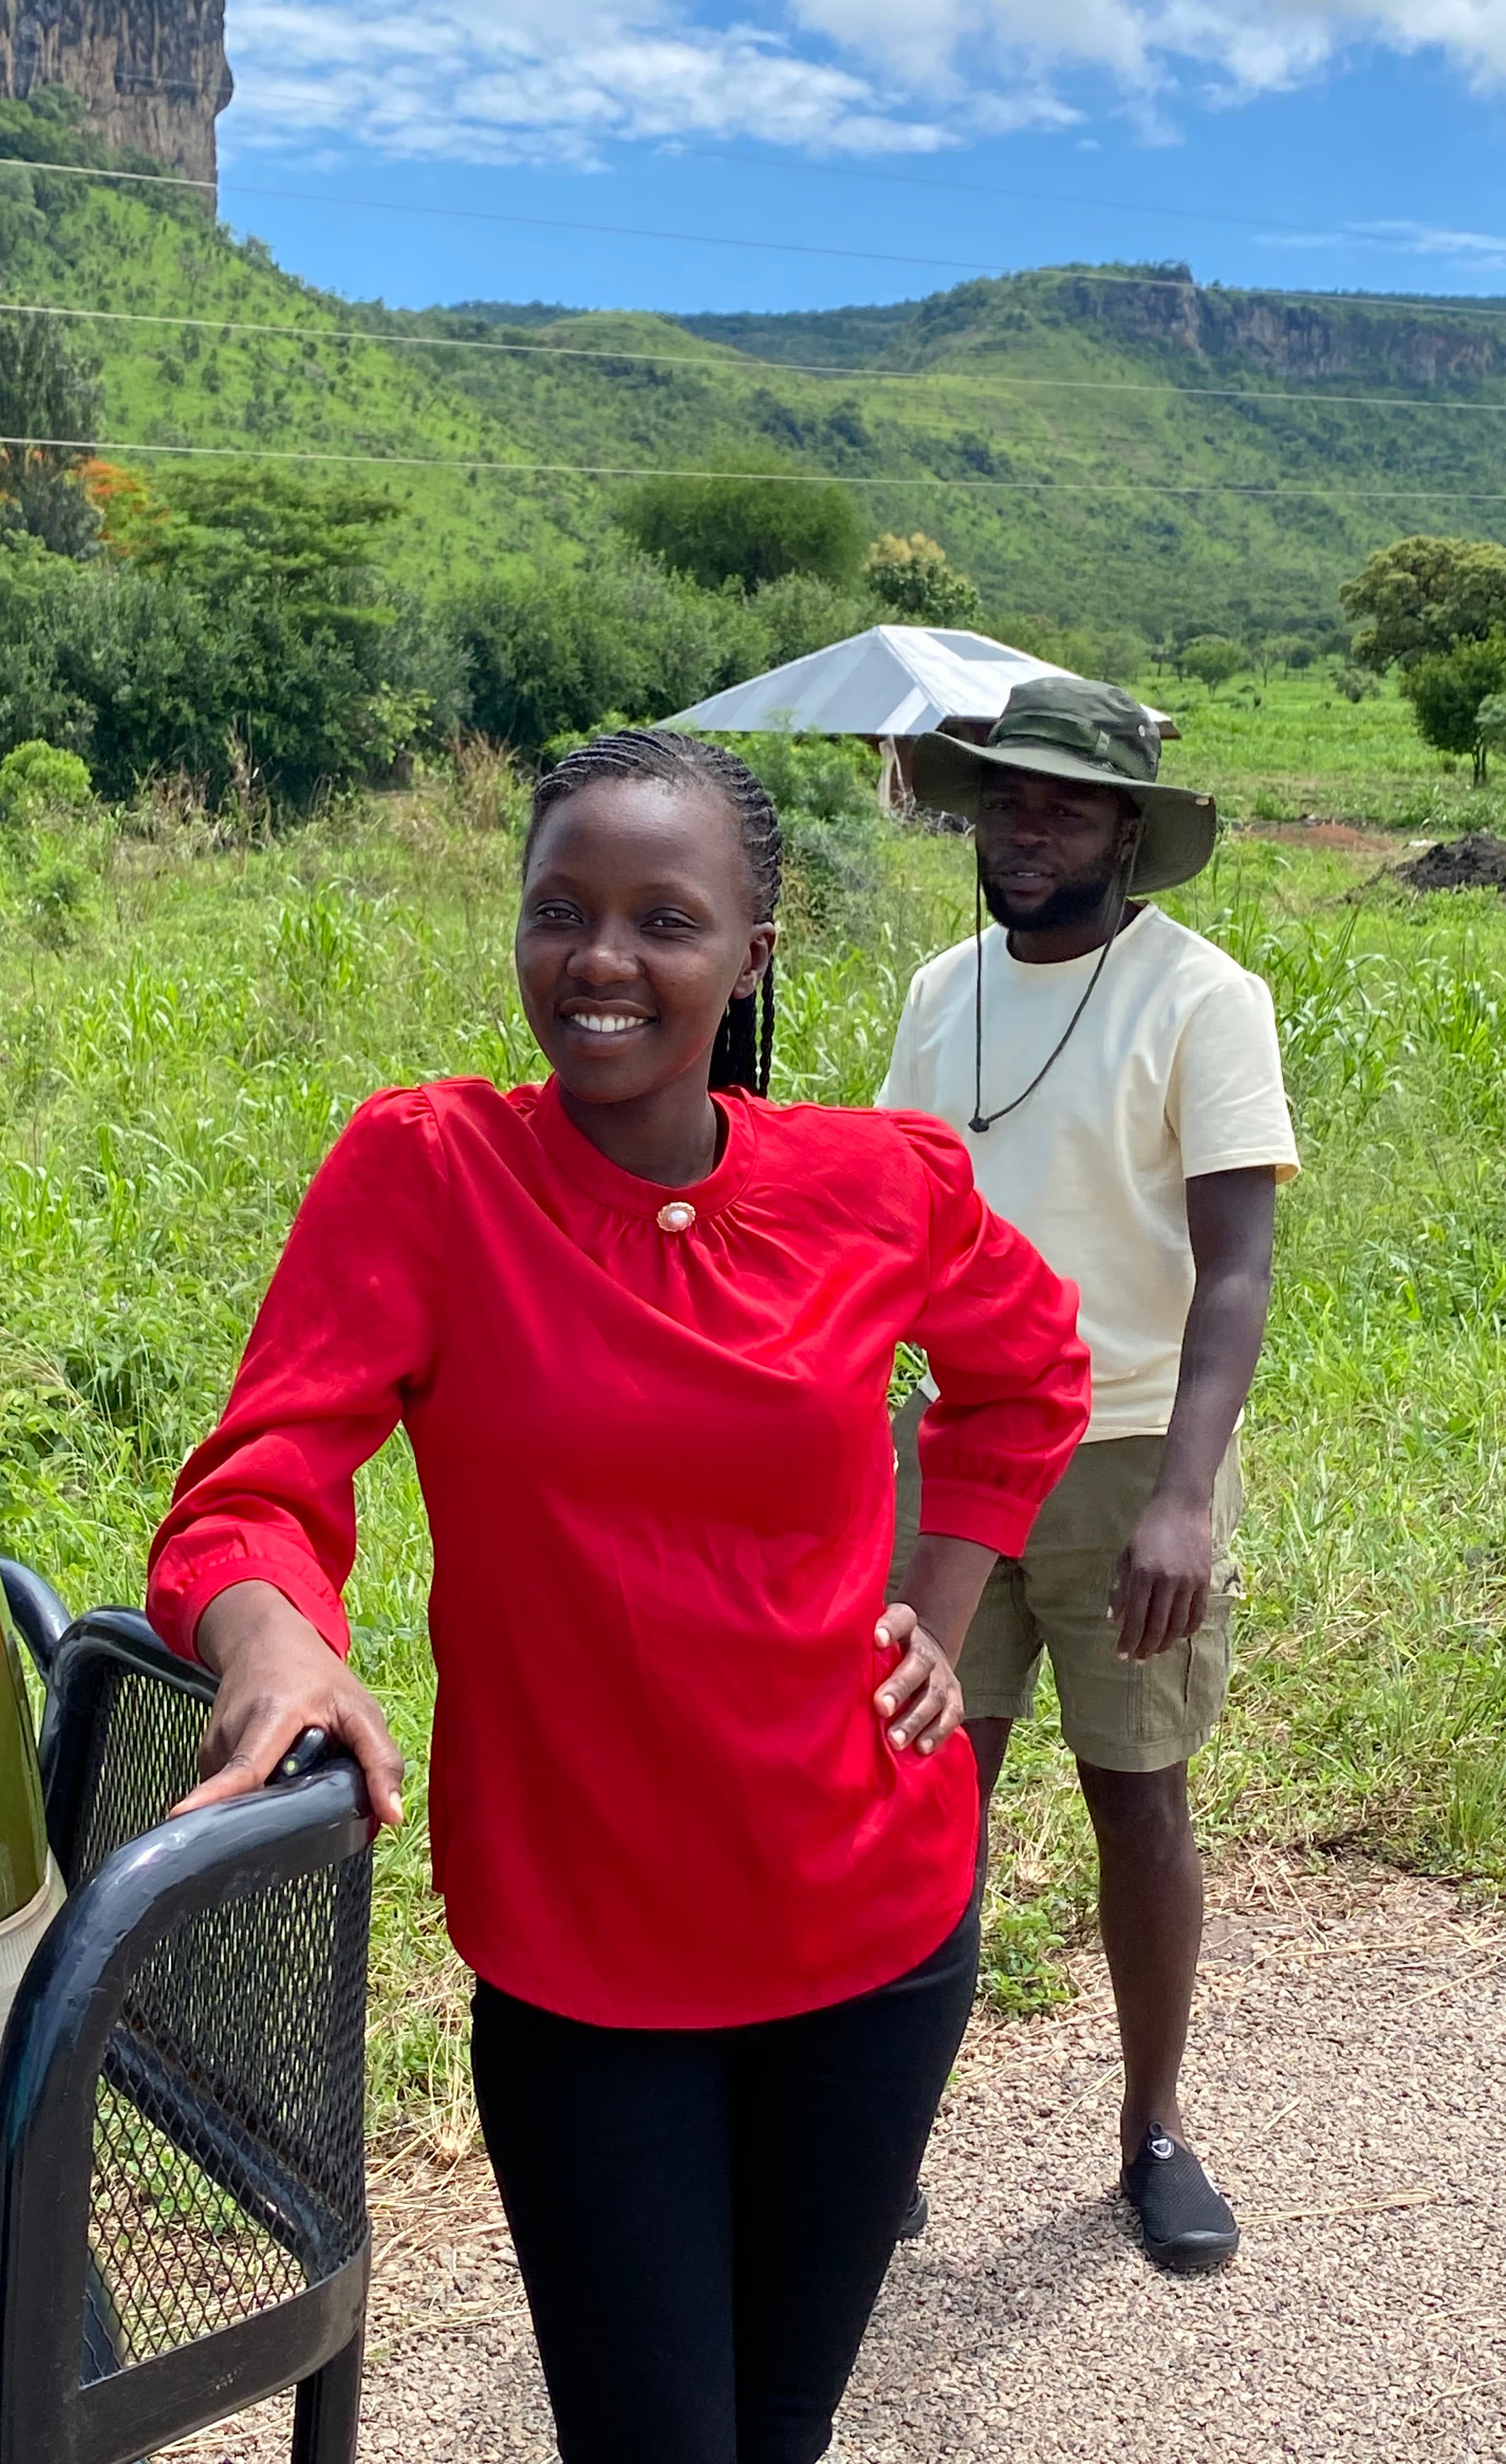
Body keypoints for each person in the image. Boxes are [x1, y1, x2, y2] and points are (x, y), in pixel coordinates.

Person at [147, 728, 1090, 2464]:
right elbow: (261, 1480)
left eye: (666, 919)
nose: (602, 958)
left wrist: (935, 1624)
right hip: (590, 1966)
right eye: (560, 911)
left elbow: (1028, 1376)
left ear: (751, 956)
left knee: (780, 2427)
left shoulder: (875, 1184)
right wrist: (272, 1630)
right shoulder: (433, 1177)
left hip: (874, 1926)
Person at [880, 677, 1298, 2273]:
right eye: (1003, 798)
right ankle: (888, 2126)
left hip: (1131, 1457)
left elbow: (1237, 1268)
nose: (1026, 827)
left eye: (1062, 803)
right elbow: (897, 1221)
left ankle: (1154, 2127)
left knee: (1139, 1799)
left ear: (1128, 827)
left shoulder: (1203, 998)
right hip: (958, 1450)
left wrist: (1187, 1495)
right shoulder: (942, 992)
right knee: (927, 1802)